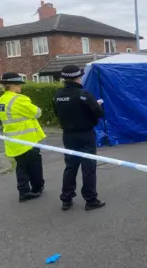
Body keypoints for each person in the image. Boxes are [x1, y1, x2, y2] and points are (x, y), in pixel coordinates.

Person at [53, 65, 105, 211]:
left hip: (68, 136)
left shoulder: (57, 95)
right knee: (88, 168)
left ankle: (66, 198)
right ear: (78, 77)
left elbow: (57, 114)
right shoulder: (84, 95)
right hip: (85, 134)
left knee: (70, 166)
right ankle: (91, 199)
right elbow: (98, 113)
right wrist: (98, 105)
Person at [0, 72, 46, 202]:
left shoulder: (0, 101)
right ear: (12, 86)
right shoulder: (19, 99)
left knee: (21, 166)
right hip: (28, 139)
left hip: (12, 140)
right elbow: (37, 113)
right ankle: (37, 188)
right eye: (19, 84)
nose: (20, 87)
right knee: (34, 165)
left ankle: (23, 191)